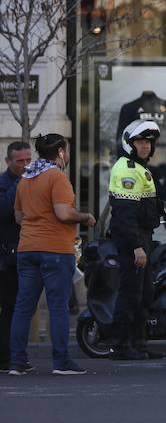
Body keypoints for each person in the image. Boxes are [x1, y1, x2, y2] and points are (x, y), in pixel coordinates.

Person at [8, 134, 95, 376]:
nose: (66, 155)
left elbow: (18, 217)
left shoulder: (25, 179)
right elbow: (63, 213)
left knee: (23, 307)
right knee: (58, 307)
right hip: (55, 249)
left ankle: (17, 362)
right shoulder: (57, 177)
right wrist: (85, 216)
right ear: (59, 152)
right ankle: (62, 362)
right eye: (65, 151)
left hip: (27, 249)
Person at [108, 120, 166, 360]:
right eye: (141, 142)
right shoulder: (128, 169)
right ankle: (121, 346)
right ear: (130, 144)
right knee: (130, 293)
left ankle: (138, 344)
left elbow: (141, 206)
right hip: (132, 239)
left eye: (149, 142)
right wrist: (137, 247)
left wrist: (165, 208)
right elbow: (125, 214)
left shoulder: (140, 168)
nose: (146, 146)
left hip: (142, 236)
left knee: (144, 293)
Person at [0, 141, 31, 373]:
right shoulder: (4, 183)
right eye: (20, 161)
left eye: (28, 160)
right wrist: (20, 182)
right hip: (7, 255)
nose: (25, 165)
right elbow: (4, 211)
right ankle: (6, 357)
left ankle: (16, 355)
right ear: (8, 161)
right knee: (10, 306)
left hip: (27, 251)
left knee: (21, 307)